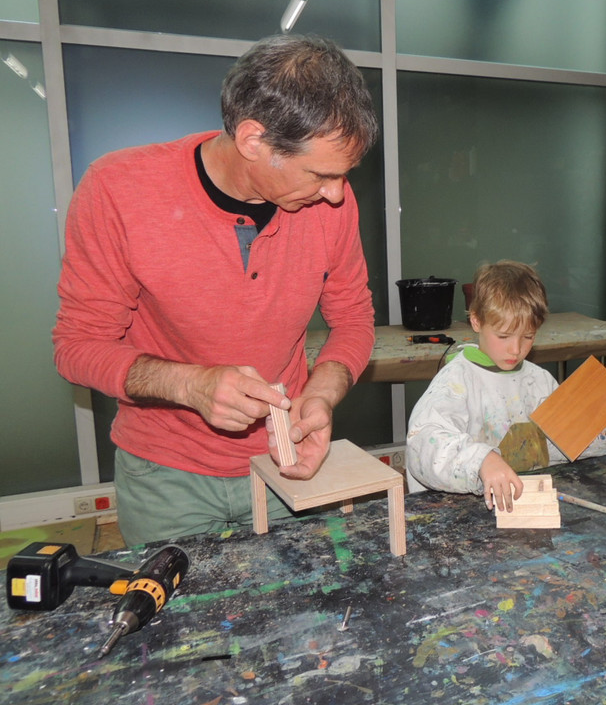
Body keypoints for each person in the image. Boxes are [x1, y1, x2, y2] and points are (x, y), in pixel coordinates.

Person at [52, 34, 379, 545]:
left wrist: (321, 394)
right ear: (252, 140)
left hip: (286, 461)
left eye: (343, 176)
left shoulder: (330, 203)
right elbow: (77, 347)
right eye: (321, 174)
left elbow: (354, 320)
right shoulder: (118, 189)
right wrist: (190, 385)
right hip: (165, 477)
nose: (337, 194)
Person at [406, 260, 606, 511]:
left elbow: (561, 445)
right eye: (503, 336)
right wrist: (481, 461)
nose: (516, 349)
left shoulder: (539, 381)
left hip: (525, 506)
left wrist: (602, 425)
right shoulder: (456, 382)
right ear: (476, 321)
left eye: (528, 336)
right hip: (463, 512)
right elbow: (423, 445)